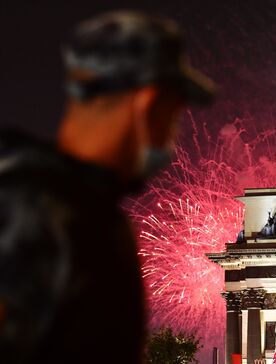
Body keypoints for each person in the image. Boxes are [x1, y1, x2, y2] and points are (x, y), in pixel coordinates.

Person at [0, 11, 215, 363]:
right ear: (147, 106)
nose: (172, 139)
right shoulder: (40, 210)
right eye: (172, 117)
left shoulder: (72, 207)